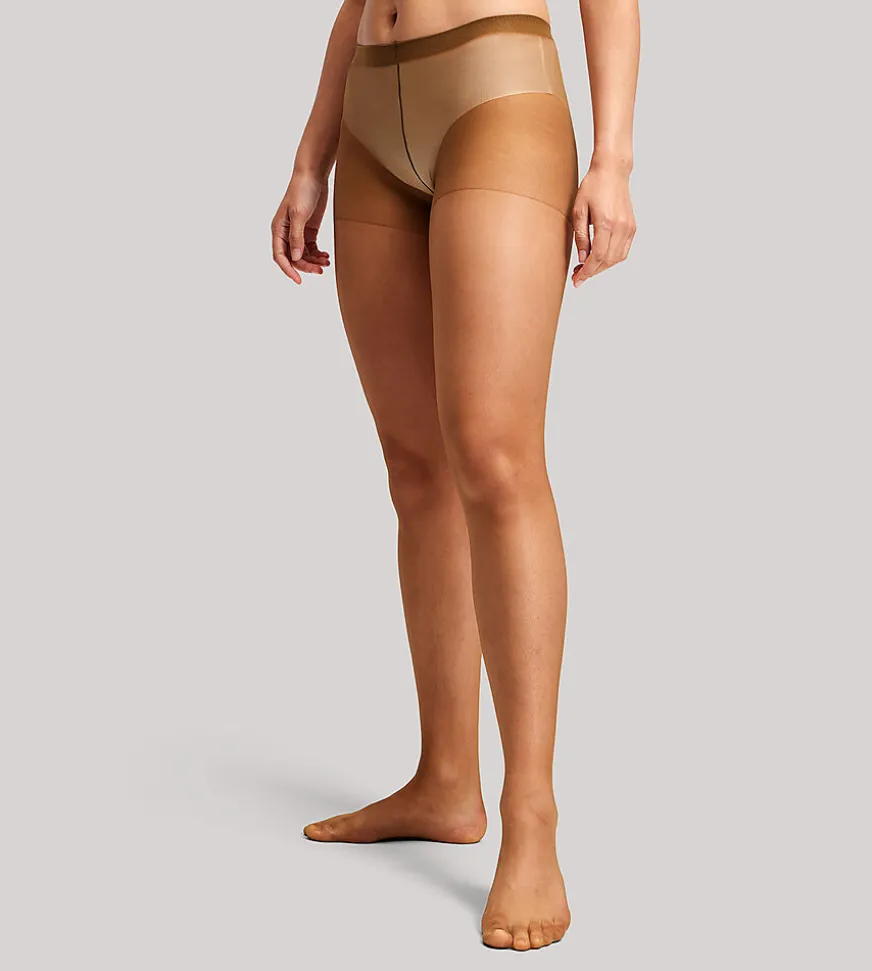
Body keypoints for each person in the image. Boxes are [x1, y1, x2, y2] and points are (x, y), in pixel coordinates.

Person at [270, 0, 638, 952]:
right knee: (415, 467)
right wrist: (312, 155)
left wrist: (613, 158)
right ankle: (444, 781)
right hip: (369, 104)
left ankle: (532, 816)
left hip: (495, 93)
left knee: (496, 457)